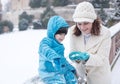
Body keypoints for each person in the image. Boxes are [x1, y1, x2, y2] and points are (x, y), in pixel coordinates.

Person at [69, 1, 112, 84]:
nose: (82, 27)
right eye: (79, 23)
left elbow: (102, 59)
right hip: (82, 79)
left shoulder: (105, 33)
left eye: (86, 23)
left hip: (100, 79)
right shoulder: (72, 31)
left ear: (93, 21)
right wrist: (75, 58)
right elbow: (73, 53)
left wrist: (87, 57)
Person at [38, 15, 78, 84]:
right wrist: (54, 57)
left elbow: (62, 60)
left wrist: (70, 68)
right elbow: (45, 49)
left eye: (64, 34)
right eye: (60, 34)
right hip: (49, 73)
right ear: (53, 31)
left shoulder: (60, 46)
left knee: (71, 78)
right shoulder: (46, 41)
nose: (62, 37)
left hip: (60, 71)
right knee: (59, 82)